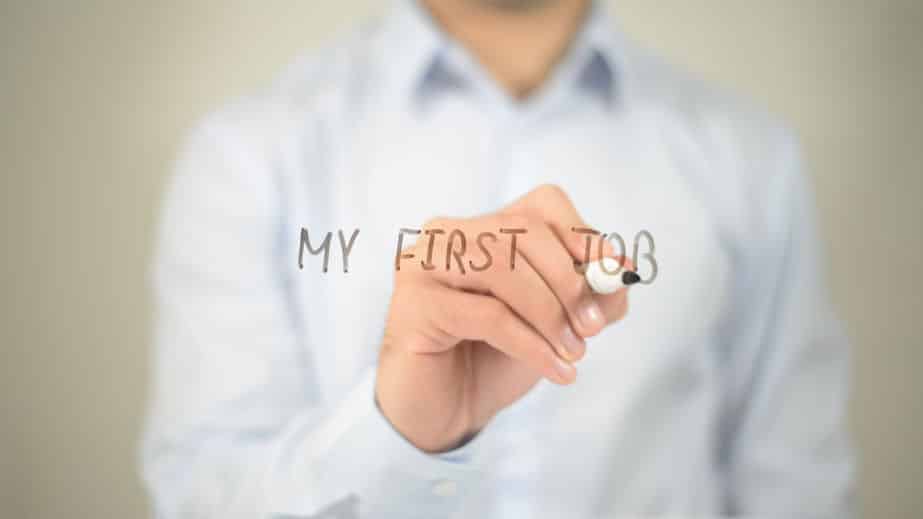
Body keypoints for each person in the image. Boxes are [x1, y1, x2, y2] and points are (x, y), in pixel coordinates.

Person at [141, 0, 855, 517]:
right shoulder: (247, 155)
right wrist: (396, 434)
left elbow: (796, 488)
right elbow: (204, 498)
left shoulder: (749, 160)